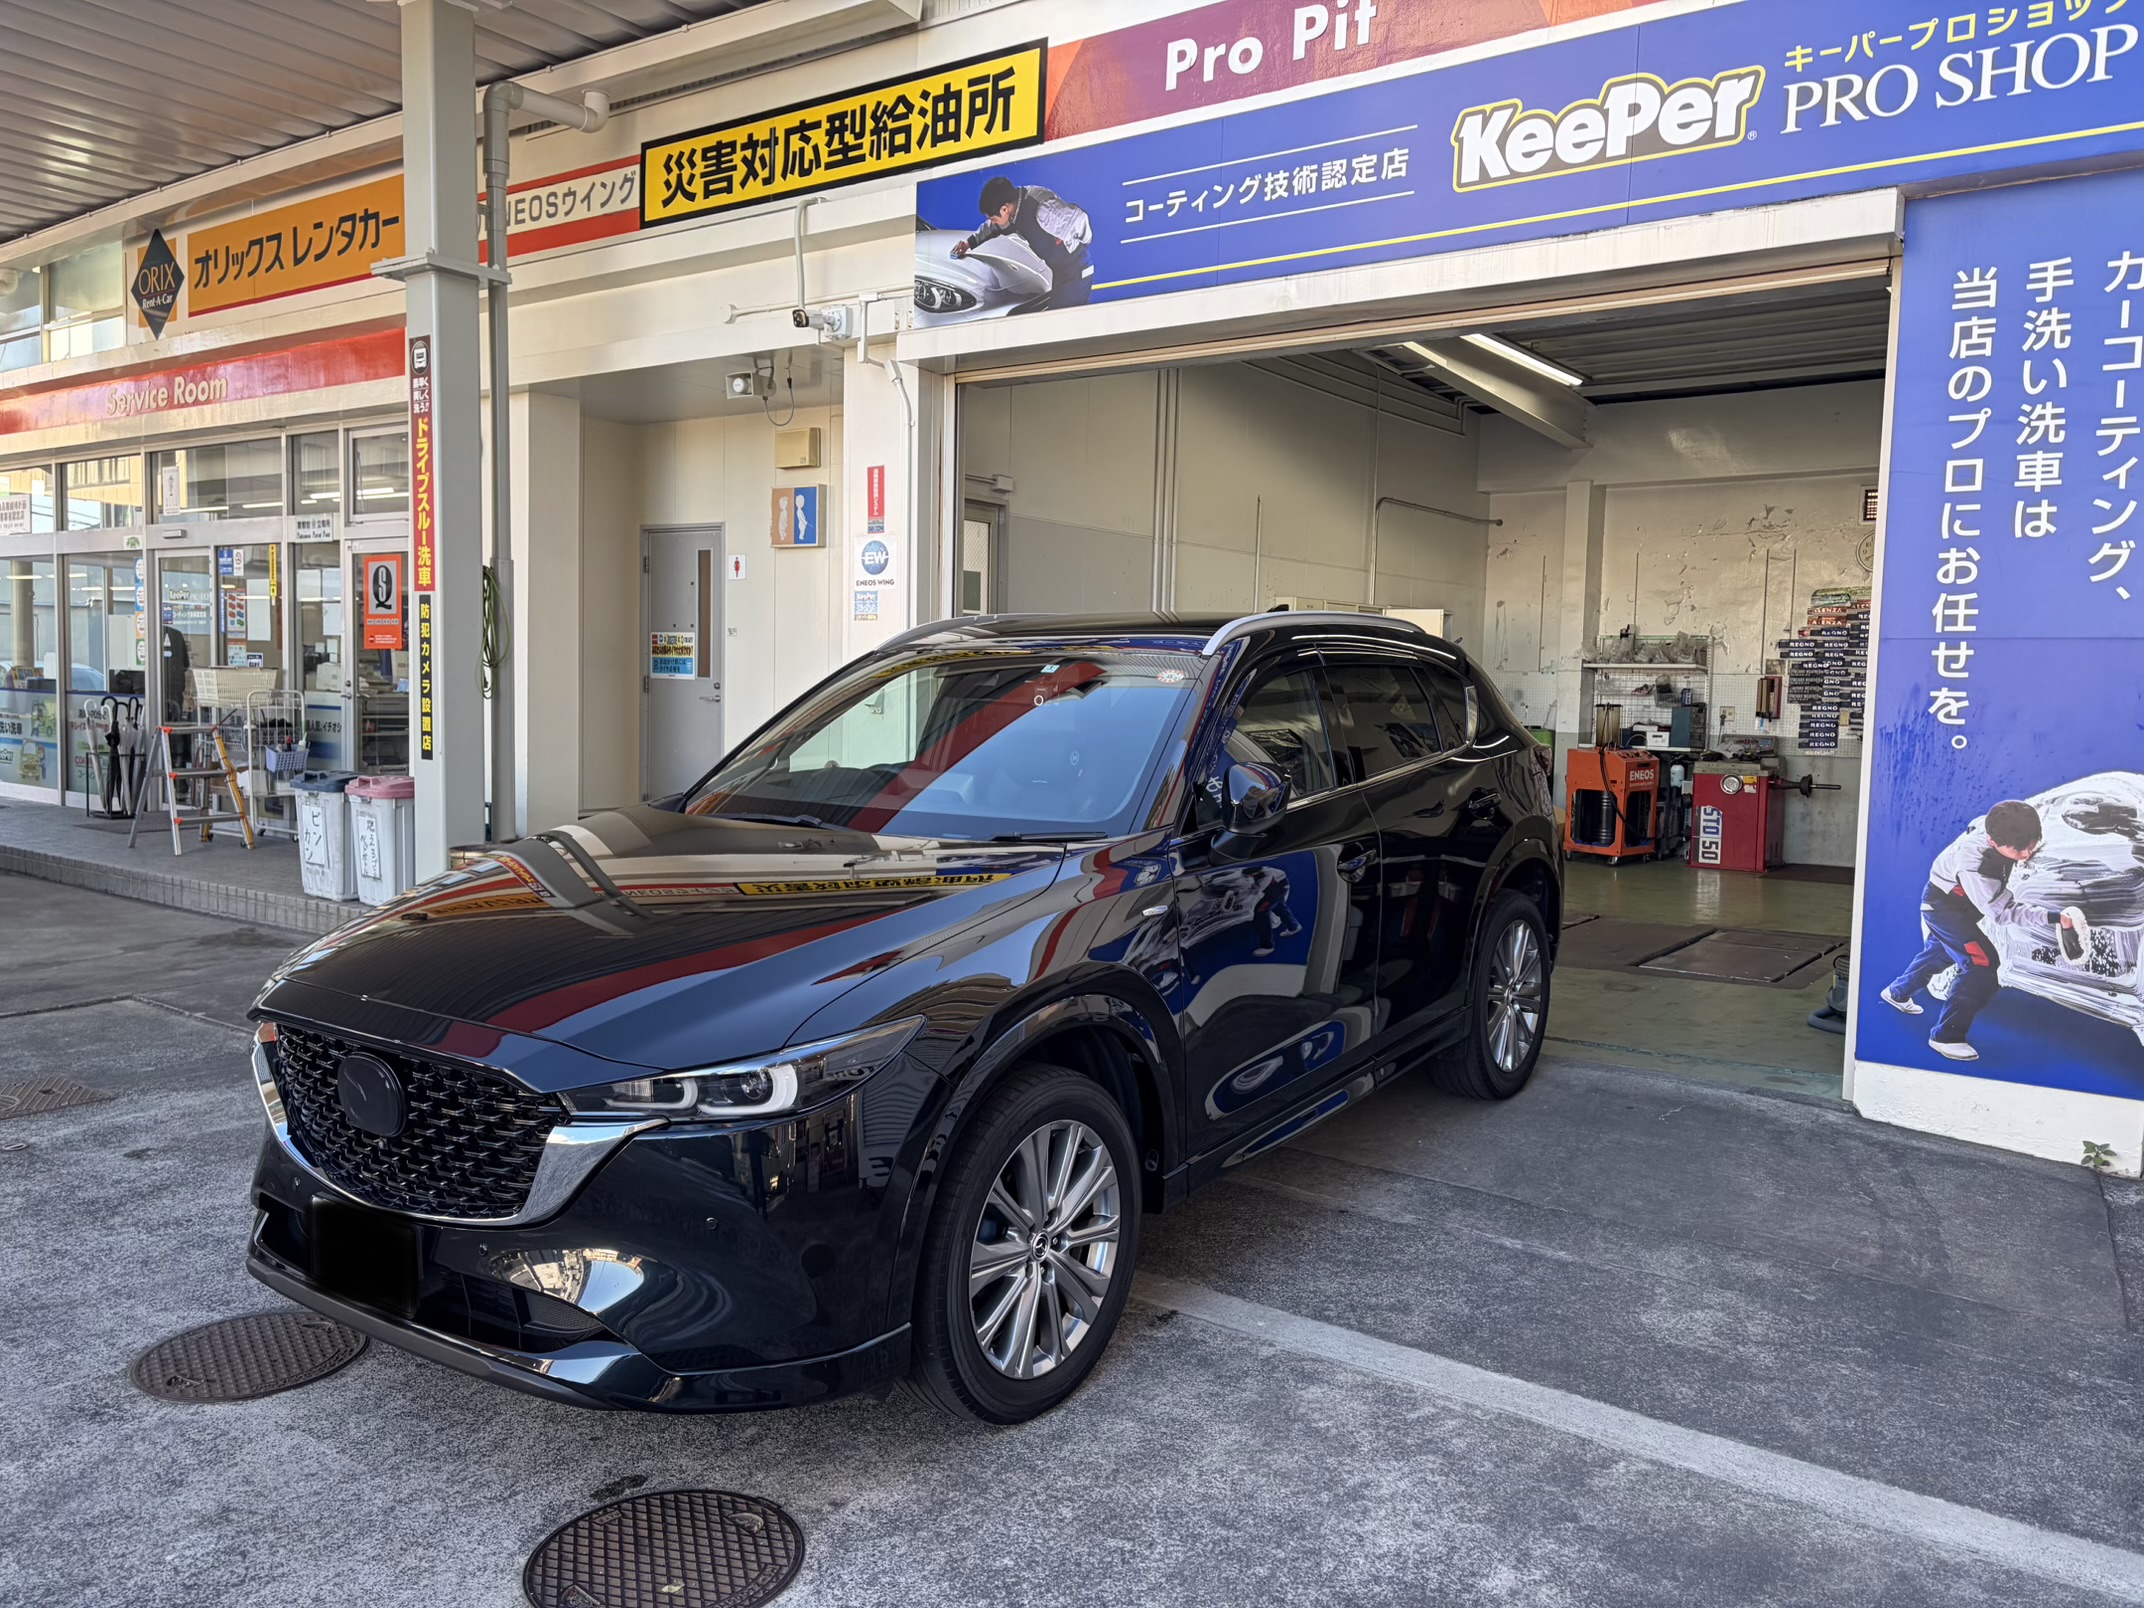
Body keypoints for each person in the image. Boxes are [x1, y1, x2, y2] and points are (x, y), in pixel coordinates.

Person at [1882, 799, 2070, 1061]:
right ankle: (1947, 1036)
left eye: (2031, 845)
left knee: (1941, 953)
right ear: (1994, 842)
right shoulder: (1976, 865)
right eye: (2019, 850)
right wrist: (2054, 917)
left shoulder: (1999, 824)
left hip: (1961, 903)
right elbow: (2004, 912)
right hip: (1943, 907)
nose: (2027, 854)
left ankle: (1896, 992)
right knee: (1981, 963)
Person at [952, 176, 1094, 308]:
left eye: (992, 218)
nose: (991, 222)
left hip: (1077, 272)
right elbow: (991, 227)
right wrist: (968, 244)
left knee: (1065, 322)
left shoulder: (1042, 209)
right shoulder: (1012, 210)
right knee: (1055, 316)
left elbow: (1079, 220)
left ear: (1004, 209)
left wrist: (1080, 248)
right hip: (1060, 272)